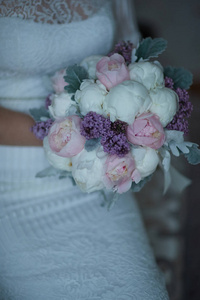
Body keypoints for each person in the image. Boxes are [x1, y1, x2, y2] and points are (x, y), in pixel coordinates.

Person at [0, 1, 169, 299]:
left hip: (95, 178)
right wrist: (74, 133)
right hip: (12, 183)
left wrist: (128, 116)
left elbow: (126, 49)